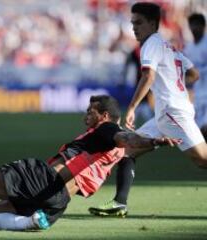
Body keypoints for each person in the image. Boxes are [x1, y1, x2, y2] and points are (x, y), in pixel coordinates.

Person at [0, 95, 178, 231]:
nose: (85, 115)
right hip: (58, 203)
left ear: (103, 115)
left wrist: (152, 141)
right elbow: (130, 153)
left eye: (90, 111)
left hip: (44, 178)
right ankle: (30, 222)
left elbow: (129, 138)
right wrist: (153, 144)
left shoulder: (107, 131)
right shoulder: (114, 151)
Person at [88, 2, 207, 218]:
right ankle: (119, 203)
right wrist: (174, 81)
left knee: (203, 159)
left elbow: (148, 75)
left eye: (139, 22)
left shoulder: (150, 44)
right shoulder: (167, 45)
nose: (134, 27)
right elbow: (194, 74)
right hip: (166, 113)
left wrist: (132, 107)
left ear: (152, 23)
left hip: (173, 112)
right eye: (133, 22)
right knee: (128, 150)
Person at [184, 13, 207, 128]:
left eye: (197, 25)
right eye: (192, 25)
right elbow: (188, 72)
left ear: (204, 26)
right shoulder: (189, 48)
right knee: (199, 130)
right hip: (198, 94)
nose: (194, 28)